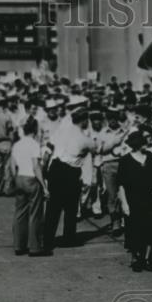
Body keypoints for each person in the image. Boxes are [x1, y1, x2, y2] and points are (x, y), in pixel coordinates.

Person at [44, 106, 93, 250]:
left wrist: (45, 169)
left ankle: (48, 239)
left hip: (56, 168)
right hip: (70, 171)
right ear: (83, 121)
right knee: (71, 207)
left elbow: (49, 148)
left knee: (53, 207)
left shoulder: (61, 130)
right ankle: (69, 238)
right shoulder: (83, 137)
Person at [116, 130, 152, 272]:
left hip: (149, 199)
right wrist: (124, 203)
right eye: (142, 142)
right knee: (134, 229)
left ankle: (147, 258)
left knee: (150, 228)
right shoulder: (125, 161)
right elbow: (121, 184)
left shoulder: (150, 157)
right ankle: (136, 257)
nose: (145, 144)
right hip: (133, 199)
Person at [10, 117, 50, 257]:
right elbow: (36, 166)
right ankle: (35, 247)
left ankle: (18, 245)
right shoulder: (34, 144)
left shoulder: (17, 144)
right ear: (35, 130)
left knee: (20, 213)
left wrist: (16, 179)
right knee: (35, 214)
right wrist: (44, 186)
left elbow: (12, 166)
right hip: (31, 179)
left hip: (19, 178)